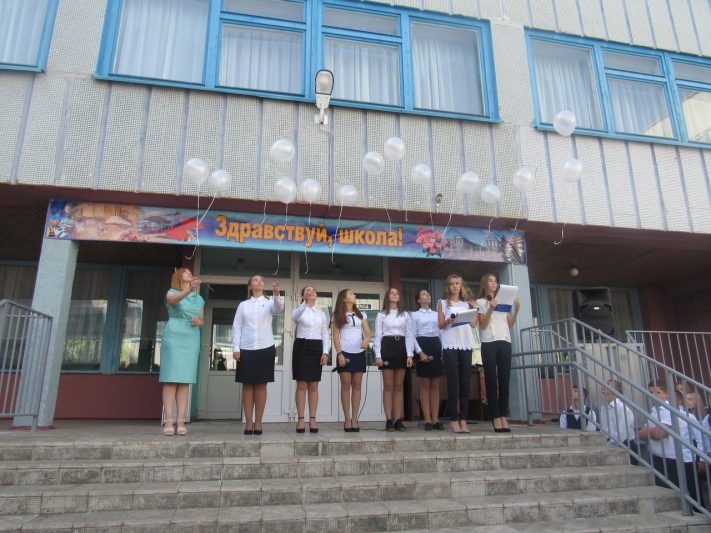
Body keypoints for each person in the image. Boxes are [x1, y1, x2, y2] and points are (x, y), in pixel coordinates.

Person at [232, 275, 283, 435]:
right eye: (255, 280)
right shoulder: (243, 305)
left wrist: (276, 294)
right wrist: (235, 347)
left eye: (261, 280)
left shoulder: (269, 303)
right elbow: (237, 326)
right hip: (246, 348)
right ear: (250, 285)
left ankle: (259, 422)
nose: (259, 281)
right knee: (247, 386)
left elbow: (278, 309)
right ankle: (248, 422)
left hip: (265, 347)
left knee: (261, 385)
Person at [160, 267, 204, 436]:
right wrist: (188, 290)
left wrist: (199, 321)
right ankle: (168, 420)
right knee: (171, 379)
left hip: (191, 337)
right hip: (174, 335)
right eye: (185, 272)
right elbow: (173, 301)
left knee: (185, 380)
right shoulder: (172, 292)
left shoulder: (199, 298)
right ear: (178, 276)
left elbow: (202, 319)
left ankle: (180, 420)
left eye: (190, 272)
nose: (189, 273)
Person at [477, 273, 520, 433]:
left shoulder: (504, 301)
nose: (494, 283)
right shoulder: (480, 302)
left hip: (505, 341)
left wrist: (516, 311)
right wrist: (491, 308)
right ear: (485, 284)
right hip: (489, 342)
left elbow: (509, 324)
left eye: (495, 281)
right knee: (490, 380)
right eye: (490, 280)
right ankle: (495, 416)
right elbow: (483, 325)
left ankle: (503, 415)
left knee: (504, 380)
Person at [438, 274, 478, 433]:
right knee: (453, 382)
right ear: (448, 286)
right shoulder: (442, 303)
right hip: (450, 344)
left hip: (465, 344)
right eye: (452, 284)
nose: (455, 286)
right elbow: (440, 325)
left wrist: (476, 309)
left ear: (461, 286)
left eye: (457, 283)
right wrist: (449, 320)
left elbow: (473, 324)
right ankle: (454, 419)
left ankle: (464, 419)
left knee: (465, 382)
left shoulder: (466, 304)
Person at [374, 288, 415, 432]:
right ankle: (389, 420)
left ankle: (398, 419)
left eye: (397, 293)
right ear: (387, 296)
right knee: (388, 386)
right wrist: (378, 355)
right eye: (392, 293)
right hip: (387, 346)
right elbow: (377, 335)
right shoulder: (381, 315)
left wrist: (409, 355)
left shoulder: (405, 315)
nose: (395, 294)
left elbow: (410, 335)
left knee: (399, 386)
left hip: (401, 348)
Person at [291, 286, 329, 434]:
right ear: (303, 295)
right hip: (302, 346)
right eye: (307, 290)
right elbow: (294, 317)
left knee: (314, 384)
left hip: (316, 347)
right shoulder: (299, 310)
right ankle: (301, 419)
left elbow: (325, 333)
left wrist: (325, 352)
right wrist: (305, 303)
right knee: (301, 384)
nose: (311, 292)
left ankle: (312, 418)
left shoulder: (321, 313)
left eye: (313, 290)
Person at [332, 289, 371, 432]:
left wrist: (366, 339)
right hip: (345, 352)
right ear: (344, 299)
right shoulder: (338, 315)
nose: (354, 295)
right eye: (351, 294)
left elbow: (368, 332)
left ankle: (355, 418)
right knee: (345, 385)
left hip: (359, 353)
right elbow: (335, 336)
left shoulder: (361, 314)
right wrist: (339, 354)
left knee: (357, 386)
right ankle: (347, 419)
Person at [411, 288, 444, 431]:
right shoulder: (414, 315)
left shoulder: (436, 314)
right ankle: (427, 419)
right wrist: (420, 353)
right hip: (422, 344)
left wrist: (442, 350)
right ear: (419, 300)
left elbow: (441, 332)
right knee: (425, 383)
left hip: (435, 344)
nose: (428, 295)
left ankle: (436, 419)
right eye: (424, 294)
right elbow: (412, 335)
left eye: (428, 294)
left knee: (435, 384)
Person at [638, 378, 677, 488]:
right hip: (656, 457)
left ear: (667, 394)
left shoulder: (668, 410)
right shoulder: (654, 410)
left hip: (670, 459)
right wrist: (651, 431)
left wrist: (649, 431)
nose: (654, 396)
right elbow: (640, 435)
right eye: (651, 393)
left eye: (658, 392)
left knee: (671, 489)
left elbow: (659, 434)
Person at [600, 379, 637, 454]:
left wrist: (609, 443)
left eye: (608, 384)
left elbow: (622, 434)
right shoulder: (604, 408)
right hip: (611, 444)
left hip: (624, 445)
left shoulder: (621, 408)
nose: (604, 386)